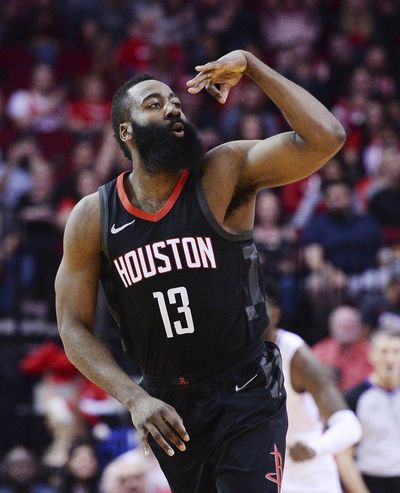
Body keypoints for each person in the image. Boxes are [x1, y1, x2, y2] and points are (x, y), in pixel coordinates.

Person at [55, 49, 345, 492]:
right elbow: (72, 326)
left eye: (174, 100)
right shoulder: (93, 216)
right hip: (169, 403)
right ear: (126, 132)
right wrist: (134, 398)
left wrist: (252, 66)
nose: (172, 107)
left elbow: (326, 137)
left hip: (246, 387)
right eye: (154, 104)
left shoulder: (222, 172)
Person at [263, 281, 365, 493]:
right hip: (259, 472)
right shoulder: (235, 354)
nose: (251, 316)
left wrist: (315, 447)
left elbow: (350, 425)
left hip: (308, 474)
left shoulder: (295, 354)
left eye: (258, 308)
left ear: (275, 314)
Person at [343, 327, 400, 493]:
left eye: (396, 351)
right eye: (384, 351)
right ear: (371, 355)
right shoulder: (355, 397)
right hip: (372, 481)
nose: (390, 358)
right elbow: (344, 455)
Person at [313, 305, 372, 391]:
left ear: (359, 328)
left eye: (351, 325)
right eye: (342, 325)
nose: (347, 328)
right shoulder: (319, 352)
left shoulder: (371, 353)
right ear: (332, 327)